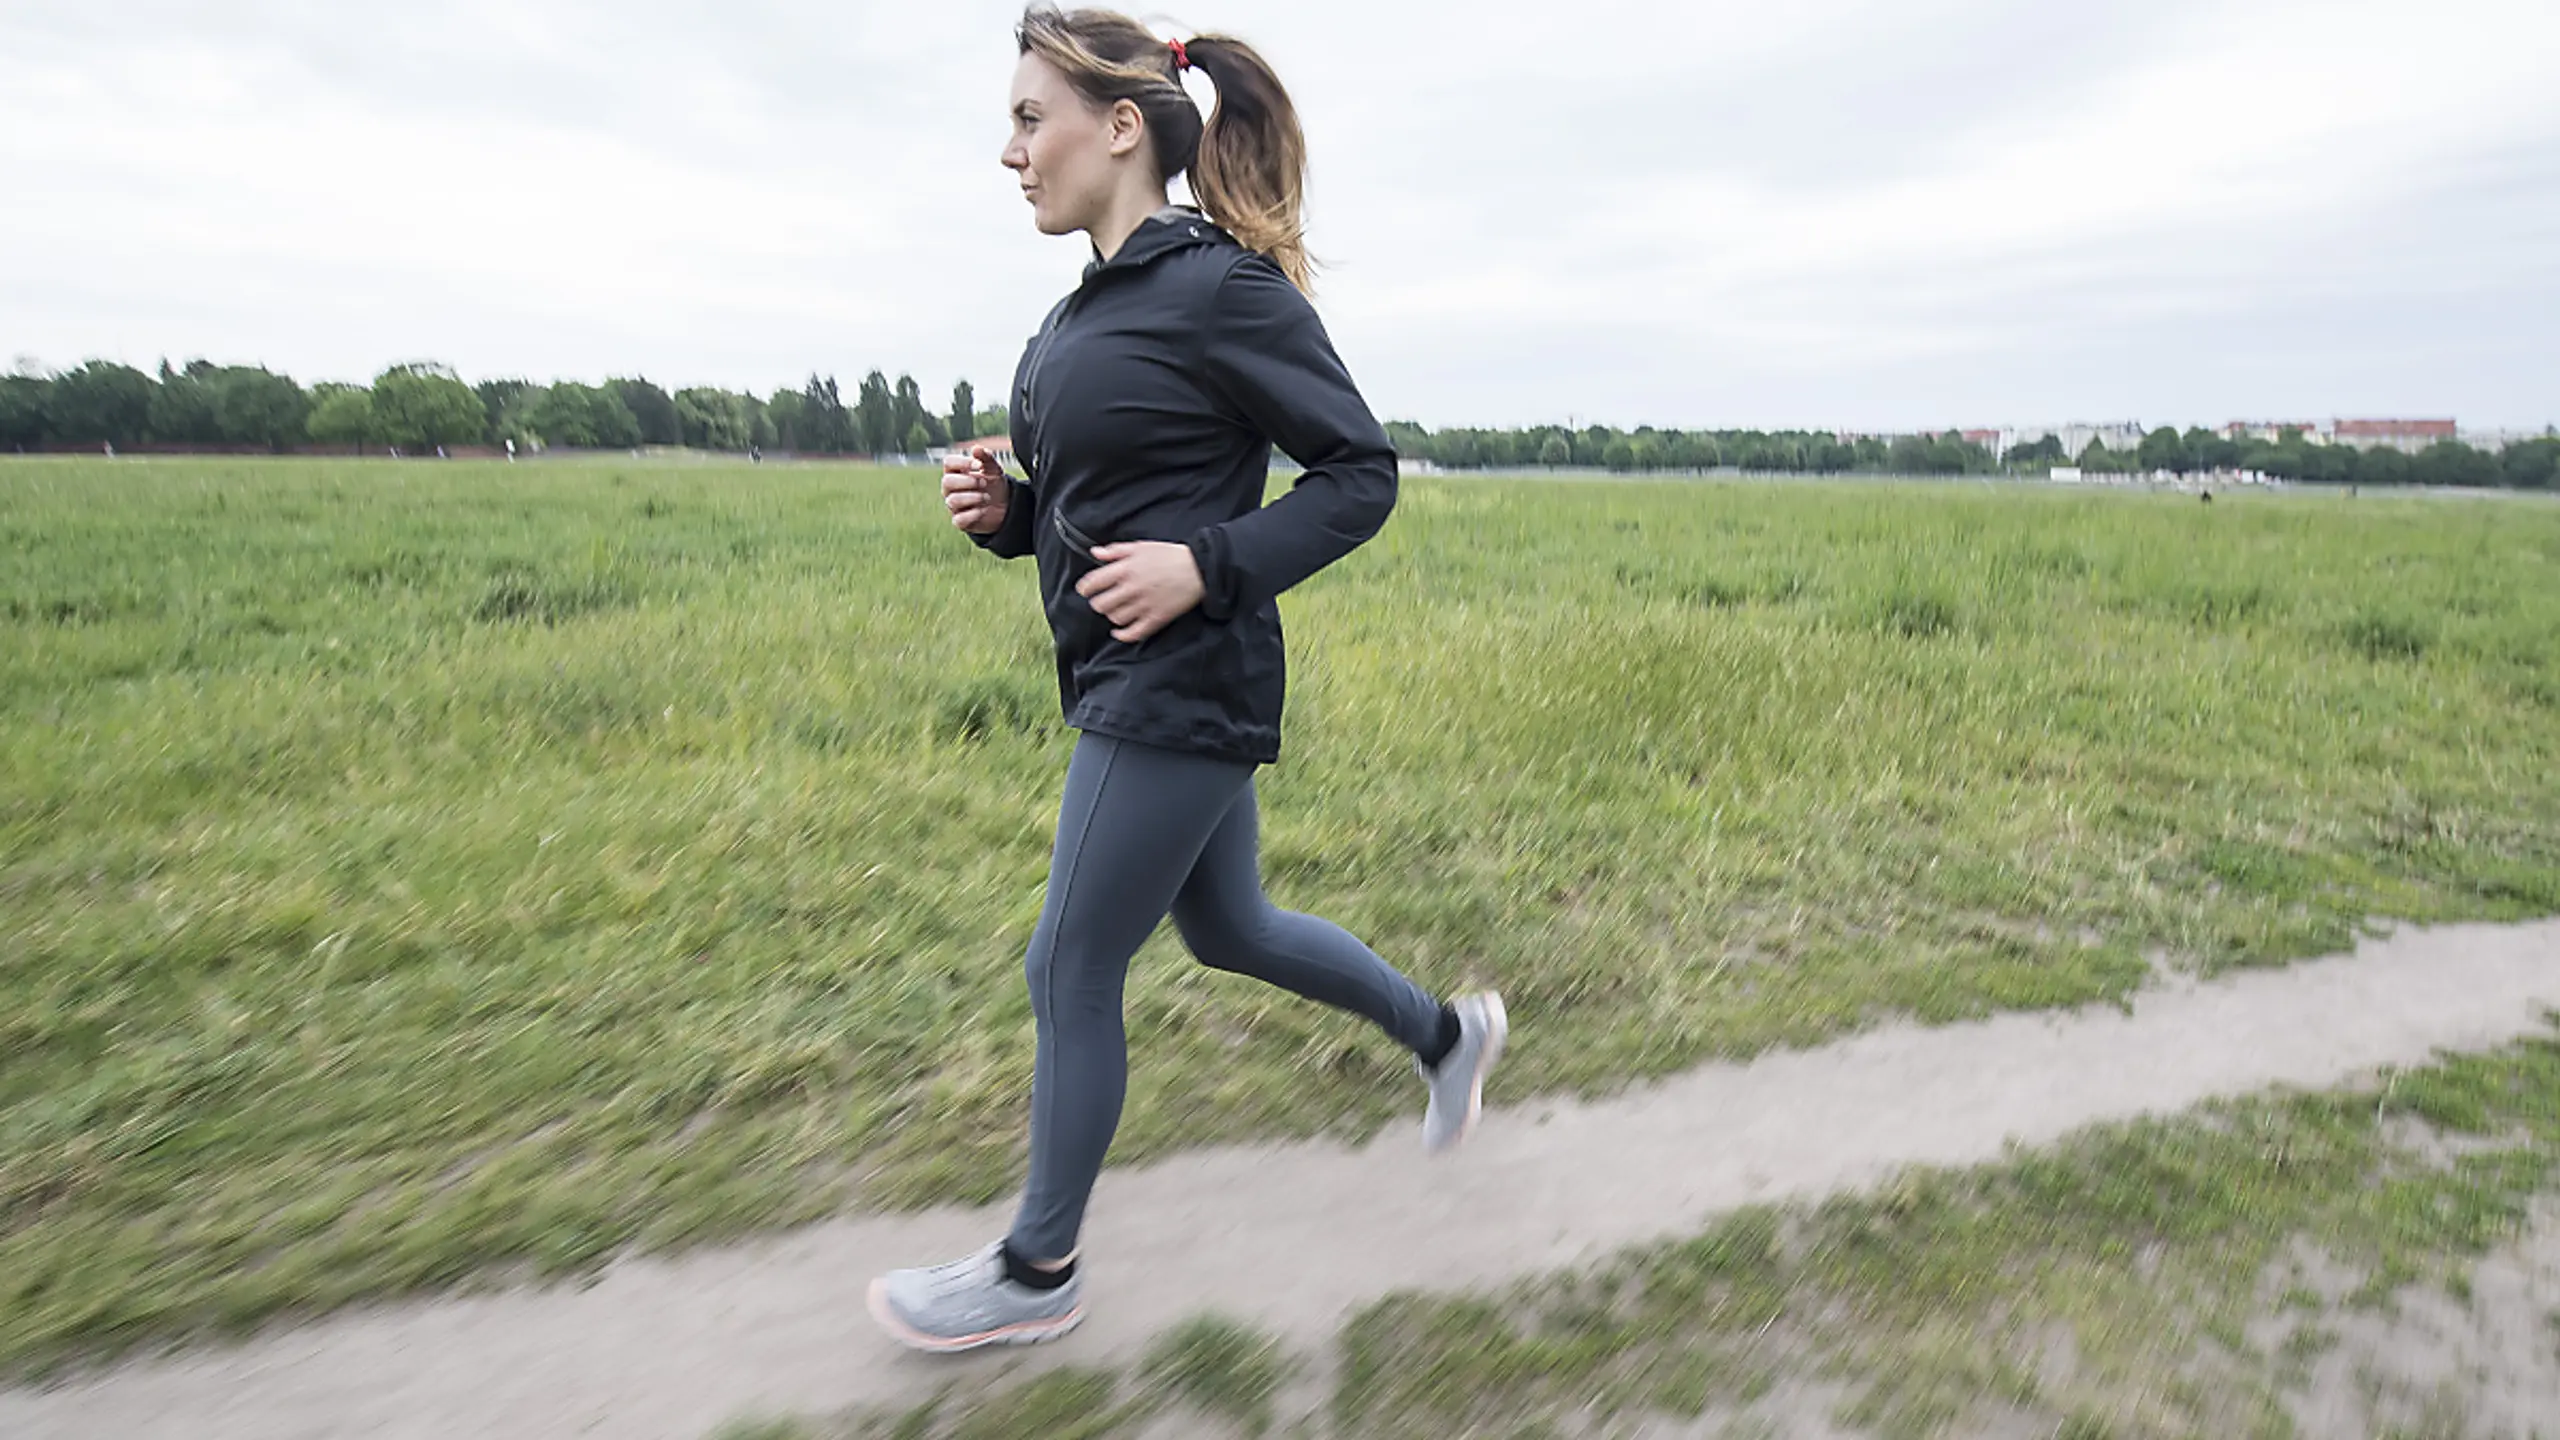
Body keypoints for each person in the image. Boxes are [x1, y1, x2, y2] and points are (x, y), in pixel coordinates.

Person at [867, 4, 1506, 1355]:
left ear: (1116, 128)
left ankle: (1038, 1270)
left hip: (1181, 680)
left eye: (1029, 119)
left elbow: (1359, 475)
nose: (1011, 151)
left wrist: (1205, 568)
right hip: (1136, 676)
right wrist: (1012, 508)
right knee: (1231, 929)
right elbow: (1098, 516)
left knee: (1068, 965)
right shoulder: (1078, 314)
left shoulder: (1222, 289)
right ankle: (1448, 1038)